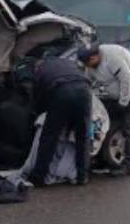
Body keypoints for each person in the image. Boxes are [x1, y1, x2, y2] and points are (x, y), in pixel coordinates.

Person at [78, 43, 130, 176]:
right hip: (116, 93)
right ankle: (101, 156)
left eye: (89, 62)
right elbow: (88, 81)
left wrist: (123, 102)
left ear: (95, 56)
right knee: (106, 119)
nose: (88, 66)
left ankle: (129, 164)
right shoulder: (89, 65)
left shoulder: (111, 57)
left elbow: (126, 78)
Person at [29, 57, 92, 186]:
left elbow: (39, 98)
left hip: (62, 93)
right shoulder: (67, 62)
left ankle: (39, 177)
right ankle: (82, 176)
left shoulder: (40, 70)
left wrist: (37, 113)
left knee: (49, 137)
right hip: (85, 92)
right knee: (82, 136)